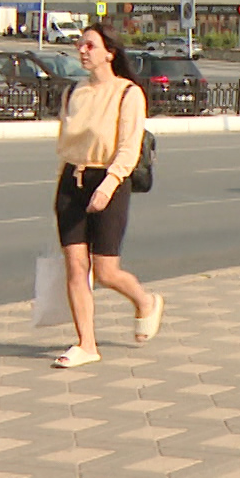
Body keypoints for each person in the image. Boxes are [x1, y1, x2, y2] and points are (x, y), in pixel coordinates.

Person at [51, 23, 164, 369]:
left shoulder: (128, 94)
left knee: (105, 271)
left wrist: (108, 185)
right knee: (75, 266)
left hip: (110, 180)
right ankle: (86, 344)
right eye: (80, 44)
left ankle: (145, 301)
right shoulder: (73, 91)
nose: (82, 50)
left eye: (90, 45)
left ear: (109, 53)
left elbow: (129, 148)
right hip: (72, 179)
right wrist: (67, 182)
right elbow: (66, 141)